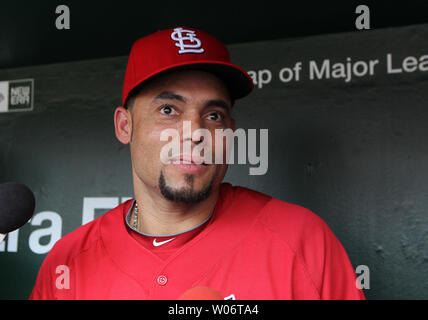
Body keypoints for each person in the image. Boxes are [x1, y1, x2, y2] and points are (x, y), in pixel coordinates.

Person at [29, 26, 365, 300]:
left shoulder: (302, 241)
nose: (196, 133)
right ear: (124, 125)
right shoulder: (68, 261)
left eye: (214, 115)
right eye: (168, 110)